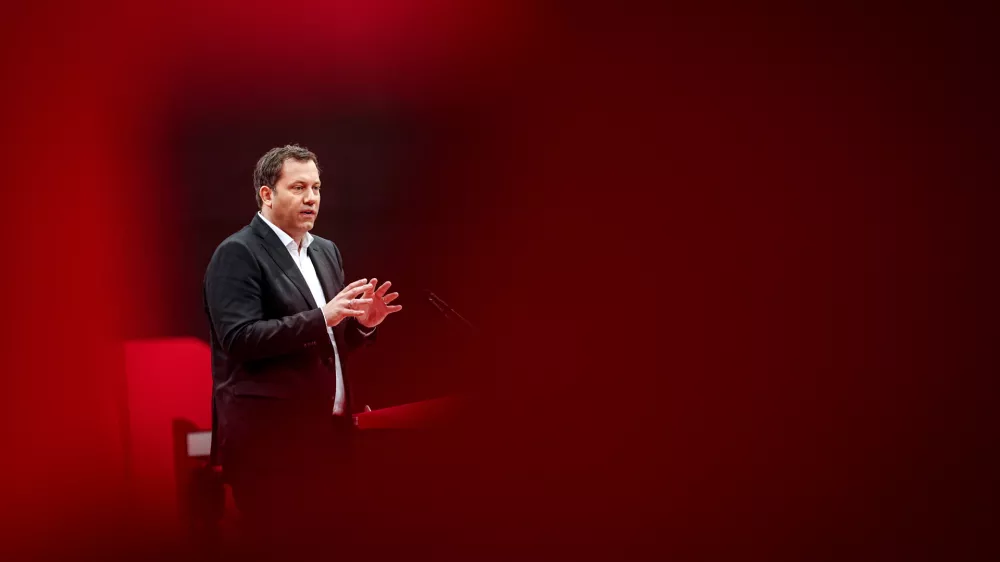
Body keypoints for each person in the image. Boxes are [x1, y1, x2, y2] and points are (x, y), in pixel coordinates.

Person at [202, 144, 401, 558]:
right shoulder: (238, 253)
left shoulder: (325, 250)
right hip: (273, 449)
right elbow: (238, 339)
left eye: (317, 187)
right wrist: (321, 318)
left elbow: (329, 343)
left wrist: (363, 327)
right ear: (267, 194)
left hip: (331, 440)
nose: (312, 198)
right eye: (298, 187)